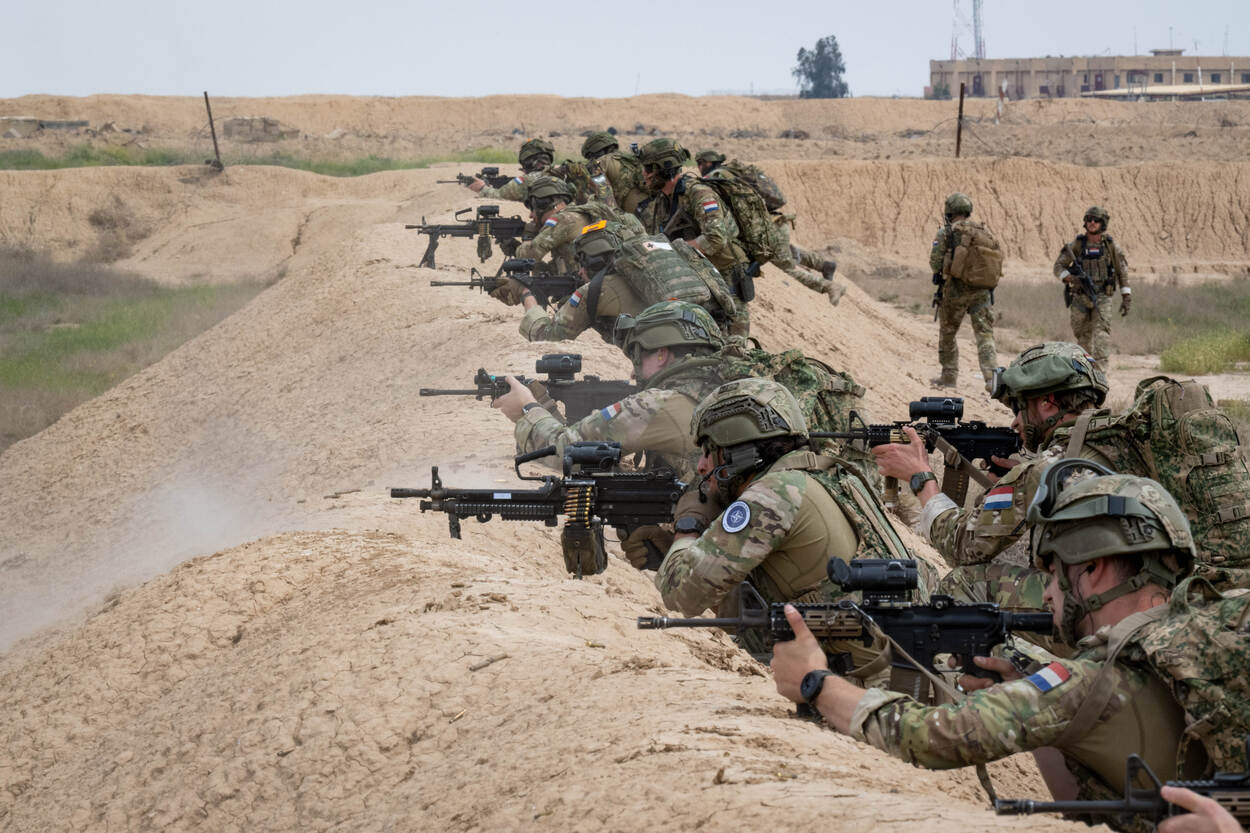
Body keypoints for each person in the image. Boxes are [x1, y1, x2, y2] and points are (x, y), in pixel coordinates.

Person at [771, 463, 1205, 822]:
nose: (1049, 592)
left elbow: (925, 737)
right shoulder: (1199, 637)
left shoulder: (1093, 681)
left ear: (1093, 569)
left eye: (1055, 573)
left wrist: (815, 681)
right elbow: (1089, 804)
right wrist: (1035, 705)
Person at [654, 378, 916, 661]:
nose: (701, 465)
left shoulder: (773, 495)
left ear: (734, 450)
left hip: (860, 684)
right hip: (894, 667)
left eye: (708, 451)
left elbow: (681, 597)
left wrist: (688, 526)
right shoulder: (826, 476)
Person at [873, 342, 1110, 612]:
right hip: (1145, 603)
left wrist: (921, 478)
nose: (1015, 422)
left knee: (964, 585)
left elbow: (964, 546)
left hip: (1098, 613)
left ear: (1047, 403)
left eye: (1020, 408)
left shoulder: (1048, 470)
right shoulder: (1118, 441)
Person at [492, 301, 727, 490]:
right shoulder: (728, 383)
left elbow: (563, 453)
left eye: (638, 356)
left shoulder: (659, 405)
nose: (633, 370)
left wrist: (526, 410)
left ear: (661, 355)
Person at [510, 217, 738, 343]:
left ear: (592, 261)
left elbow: (547, 336)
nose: (579, 273)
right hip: (722, 346)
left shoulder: (596, 290)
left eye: (581, 264)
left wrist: (526, 295)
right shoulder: (676, 265)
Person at [695, 149, 843, 305]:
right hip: (775, 222)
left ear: (707, 163)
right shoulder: (731, 172)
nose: (699, 167)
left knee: (788, 268)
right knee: (783, 250)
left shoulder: (716, 178)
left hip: (768, 227)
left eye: (699, 163)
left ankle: (830, 287)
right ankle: (824, 265)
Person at [634, 139, 753, 310]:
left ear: (662, 168)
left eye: (647, 168)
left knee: (733, 335)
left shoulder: (699, 194)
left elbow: (716, 238)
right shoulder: (662, 200)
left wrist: (674, 249)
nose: (644, 174)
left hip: (727, 277)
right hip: (699, 278)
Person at [930, 192, 997, 389]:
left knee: (948, 334)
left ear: (949, 212)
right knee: (985, 335)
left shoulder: (946, 233)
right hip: (982, 292)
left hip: (955, 293)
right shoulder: (983, 232)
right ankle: (992, 378)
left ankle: (949, 377)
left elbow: (935, 263)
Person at [511, 176, 643, 274]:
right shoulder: (581, 213)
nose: (531, 216)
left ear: (543, 203)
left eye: (532, 209)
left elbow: (528, 255)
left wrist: (527, 237)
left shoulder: (563, 220)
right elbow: (565, 264)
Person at [1053, 206, 1131, 369]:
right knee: (1082, 336)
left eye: (1096, 220)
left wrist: (1126, 296)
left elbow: (1122, 271)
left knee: (1101, 334)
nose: (1092, 223)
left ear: (1103, 223)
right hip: (1080, 297)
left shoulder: (1111, 247)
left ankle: (1100, 373)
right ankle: (1084, 372)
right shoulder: (1077, 245)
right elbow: (1058, 266)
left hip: (1102, 296)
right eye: (1089, 220)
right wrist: (1070, 278)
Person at [465, 138, 559, 203]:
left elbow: (499, 195)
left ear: (527, 161)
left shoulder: (528, 180)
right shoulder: (558, 174)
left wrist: (482, 188)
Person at [581, 132, 648, 214]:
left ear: (594, 152)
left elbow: (604, 197)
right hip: (654, 210)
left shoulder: (602, 163)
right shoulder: (631, 158)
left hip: (635, 217)